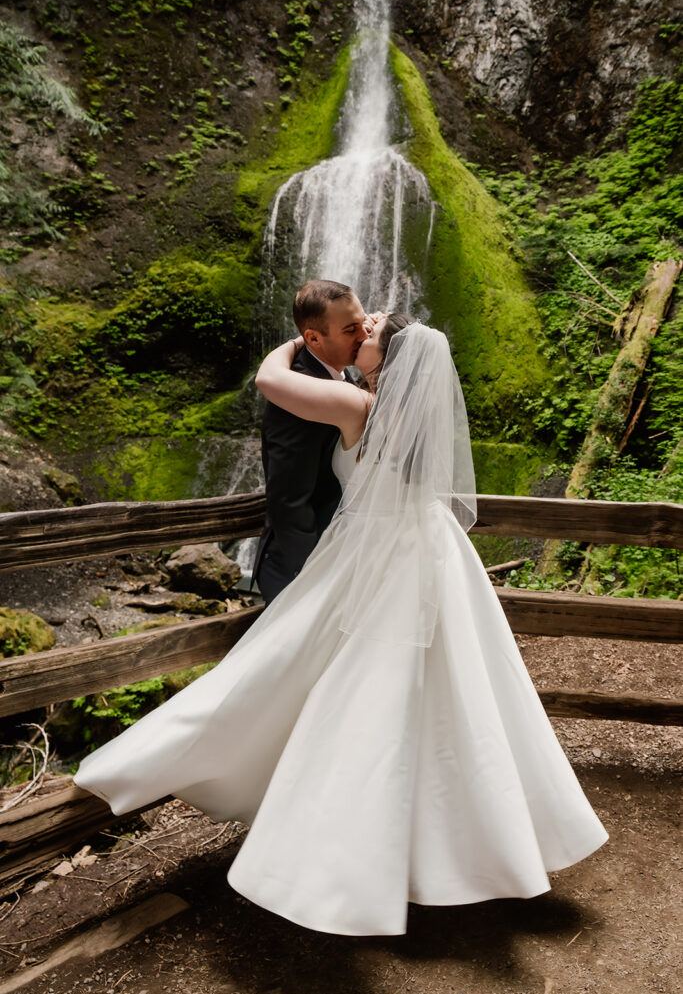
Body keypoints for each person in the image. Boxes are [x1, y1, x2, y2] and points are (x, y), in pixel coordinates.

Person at [73, 315, 608, 937]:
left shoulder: (357, 405)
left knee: (329, 680)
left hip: (373, 557)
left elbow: (271, 381)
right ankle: (462, 848)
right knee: (456, 697)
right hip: (433, 555)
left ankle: (334, 860)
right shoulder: (419, 419)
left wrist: (298, 340)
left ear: (390, 357)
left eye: (371, 331)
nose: (361, 333)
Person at [252, 278, 379, 604]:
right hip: (301, 568)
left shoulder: (345, 378)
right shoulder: (297, 389)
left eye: (363, 324)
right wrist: (314, 573)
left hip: (342, 555)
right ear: (313, 338)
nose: (364, 336)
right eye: (351, 330)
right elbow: (289, 500)